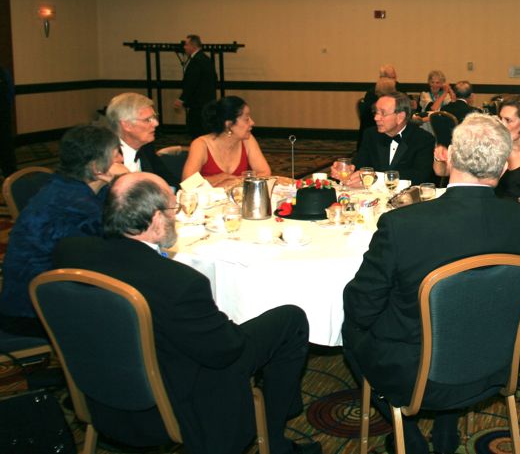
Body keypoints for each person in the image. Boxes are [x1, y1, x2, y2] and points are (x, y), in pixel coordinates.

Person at [53, 172, 320, 454]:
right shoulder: (179, 283)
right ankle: (275, 440)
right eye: (173, 209)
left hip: (97, 389)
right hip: (169, 403)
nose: (176, 216)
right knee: (291, 319)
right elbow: (225, 351)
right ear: (156, 219)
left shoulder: (69, 253)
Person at [342, 113, 520, 454]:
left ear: (449, 157)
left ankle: (407, 434)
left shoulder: (402, 226)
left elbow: (361, 307)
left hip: (417, 375)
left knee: (352, 328)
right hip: (498, 362)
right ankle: (448, 422)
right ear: (503, 167)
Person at [0, 124, 125, 337]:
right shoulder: (76, 207)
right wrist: (126, 182)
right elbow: (120, 243)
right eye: (116, 156)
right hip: (34, 311)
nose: (122, 161)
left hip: (39, 294)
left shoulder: (68, 186)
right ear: (97, 168)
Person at [333, 92, 434, 185]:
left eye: (383, 113)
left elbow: (419, 176)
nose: (376, 118)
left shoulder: (423, 139)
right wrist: (350, 168)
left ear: (400, 117)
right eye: (376, 112)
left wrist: (376, 177)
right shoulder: (371, 134)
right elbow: (361, 162)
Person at [181, 96, 271, 187]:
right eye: (246, 119)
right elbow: (187, 183)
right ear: (229, 125)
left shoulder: (247, 140)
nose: (252, 122)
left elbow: (265, 172)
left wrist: (236, 181)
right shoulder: (201, 144)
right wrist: (220, 178)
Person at [106, 92, 180, 187]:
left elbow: (169, 180)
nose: (156, 123)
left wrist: (195, 187)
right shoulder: (106, 155)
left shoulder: (146, 147)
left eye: (154, 117)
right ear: (126, 125)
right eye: (147, 120)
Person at [175, 34, 217, 139]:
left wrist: (182, 99)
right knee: (204, 131)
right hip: (206, 101)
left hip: (198, 104)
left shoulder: (197, 61)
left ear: (193, 46)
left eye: (186, 44)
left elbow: (191, 83)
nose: (184, 47)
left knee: (196, 131)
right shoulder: (205, 59)